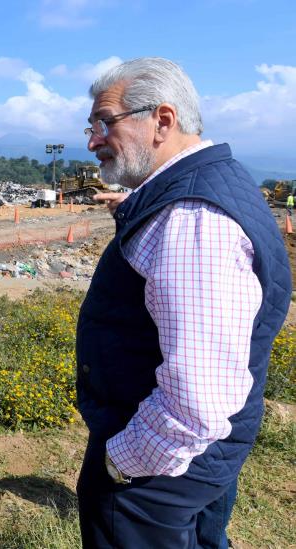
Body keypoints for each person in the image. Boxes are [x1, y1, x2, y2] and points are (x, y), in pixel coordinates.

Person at [76, 58, 291, 548]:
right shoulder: (216, 181)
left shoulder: (191, 217)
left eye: (104, 122)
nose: (92, 140)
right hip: (199, 455)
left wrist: (123, 461)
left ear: (162, 121)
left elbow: (196, 399)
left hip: (160, 469)